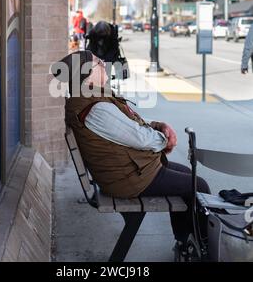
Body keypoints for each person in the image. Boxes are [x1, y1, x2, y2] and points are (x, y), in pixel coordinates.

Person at [52, 50, 211, 255]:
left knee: (190, 178)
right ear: (88, 75)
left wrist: (158, 126)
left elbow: (128, 127)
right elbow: (142, 138)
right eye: (99, 62)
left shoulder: (91, 98)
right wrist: (164, 139)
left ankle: (185, 242)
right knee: (199, 186)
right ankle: (204, 247)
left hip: (132, 170)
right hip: (129, 179)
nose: (105, 64)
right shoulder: (95, 108)